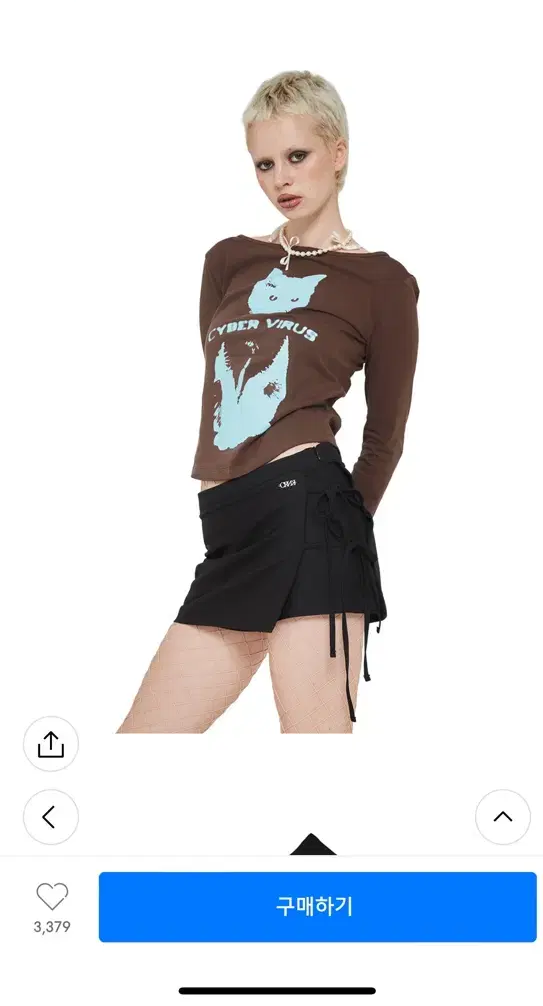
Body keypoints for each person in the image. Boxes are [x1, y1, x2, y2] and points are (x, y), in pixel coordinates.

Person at [118, 70, 420, 735]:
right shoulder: (229, 260)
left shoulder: (381, 282)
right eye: (264, 163)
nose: (280, 178)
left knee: (314, 757)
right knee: (144, 742)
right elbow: (222, 388)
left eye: (297, 155)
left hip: (310, 515)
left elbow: (385, 438)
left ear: (337, 152)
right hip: (228, 528)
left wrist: (340, 528)